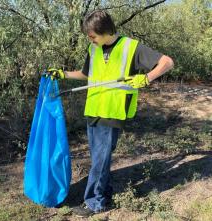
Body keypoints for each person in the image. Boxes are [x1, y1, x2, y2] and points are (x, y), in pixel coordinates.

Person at [48, 10, 174, 217]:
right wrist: (63, 74)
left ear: (105, 31)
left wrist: (146, 78)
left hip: (112, 112)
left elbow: (167, 62)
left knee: (99, 160)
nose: (89, 38)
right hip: (94, 110)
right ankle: (104, 192)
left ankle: (95, 203)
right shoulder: (94, 48)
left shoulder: (131, 47)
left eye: (92, 35)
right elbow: (86, 74)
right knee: (100, 158)